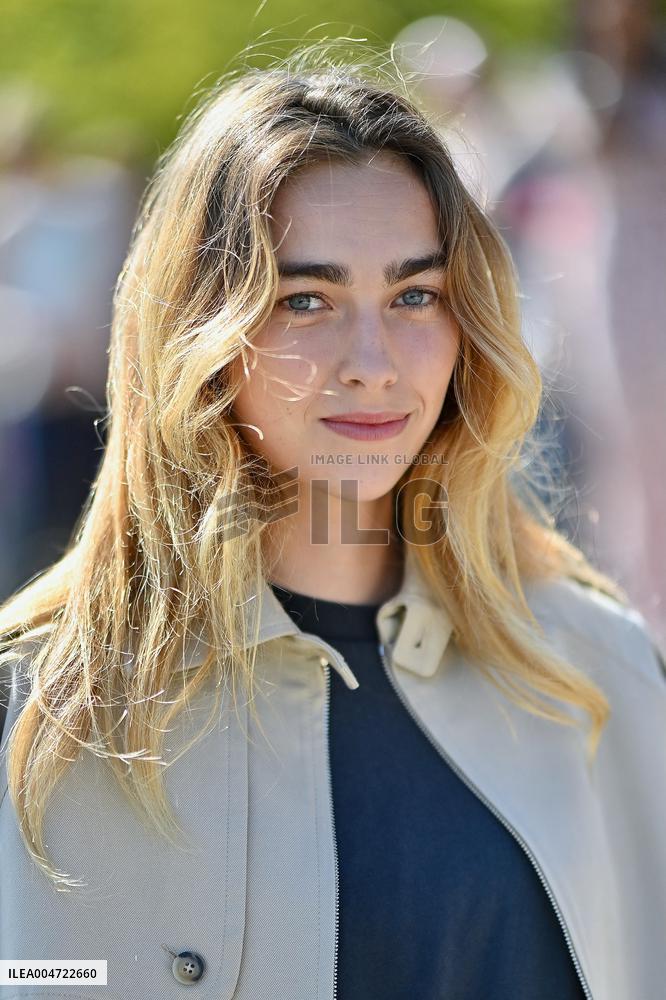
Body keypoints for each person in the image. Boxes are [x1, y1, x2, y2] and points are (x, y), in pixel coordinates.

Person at [1, 45, 665, 1000]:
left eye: (414, 296)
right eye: (304, 299)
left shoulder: (599, 675)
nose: (372, 360)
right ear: (201, 333)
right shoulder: (37, 719)